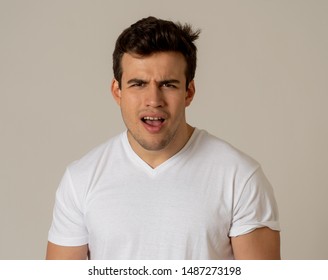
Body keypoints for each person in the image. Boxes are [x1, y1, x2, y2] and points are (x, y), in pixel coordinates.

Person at [46, 16, 280, 260]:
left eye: (168, 84)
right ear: (118, 91)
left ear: (188, 92)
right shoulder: (81, 179)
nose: (153, 100)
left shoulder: (239, 177)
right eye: (138, 84)